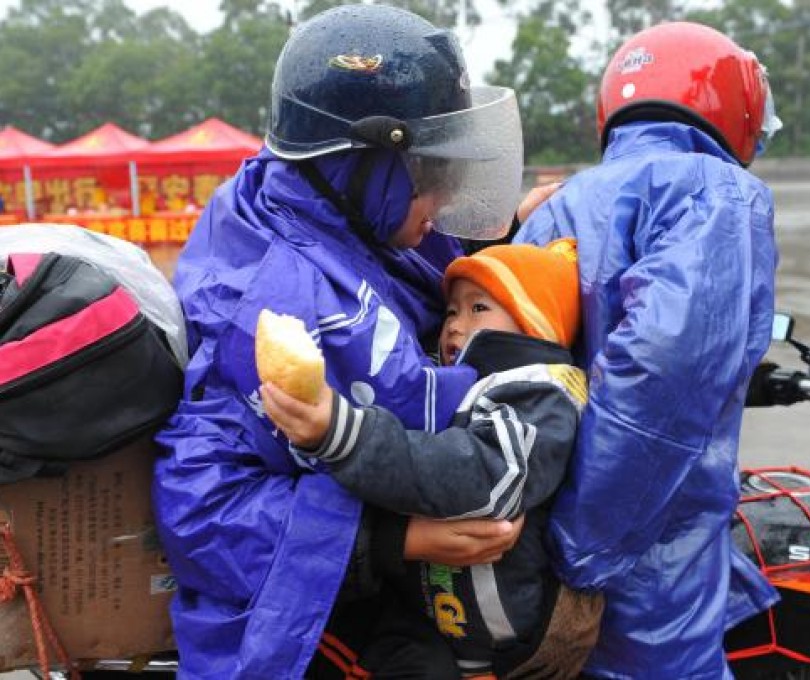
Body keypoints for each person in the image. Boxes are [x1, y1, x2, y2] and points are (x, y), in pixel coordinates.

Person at [151, 5, 530, 679]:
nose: (443, 199)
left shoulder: (310, 199)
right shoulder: (282, 309)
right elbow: (200, 513)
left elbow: (432, 262)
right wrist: (394, 540)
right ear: (363, 163)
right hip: (297, 615)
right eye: (428, 173)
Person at [514, 21, 784, 679]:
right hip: (643, 579)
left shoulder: (557, 205)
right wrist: (583, 564)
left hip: (536, 552)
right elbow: (661, 380)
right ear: (736, 107)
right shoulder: (713, 192)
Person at [262, 238, 600, 678]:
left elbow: (485, 478)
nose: (455, 325)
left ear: (537, 323)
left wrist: (345, 435)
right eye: (451, 311)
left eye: (479, 308)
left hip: (502, 648)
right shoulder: (454, 384)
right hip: (445, 628)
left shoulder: (540, 394)